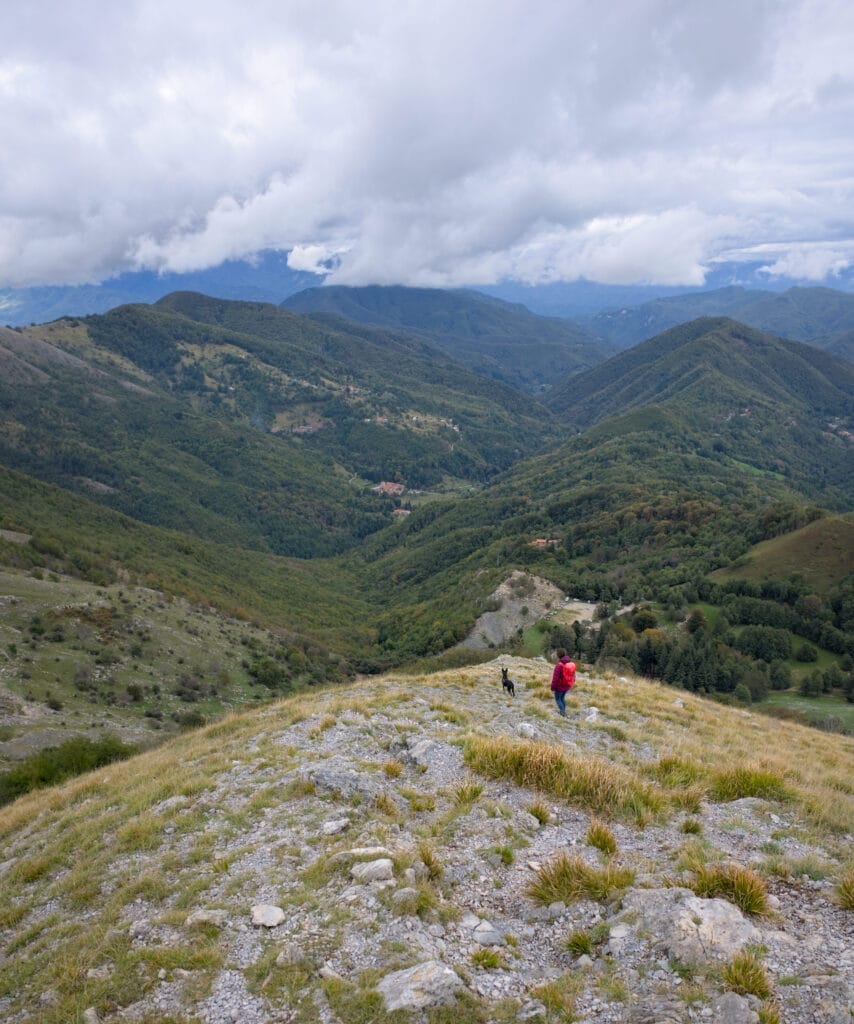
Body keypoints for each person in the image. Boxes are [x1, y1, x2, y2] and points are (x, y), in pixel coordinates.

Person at [550, 648, 576, 717]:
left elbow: (555, 678)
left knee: (558, 699)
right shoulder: (570, 663)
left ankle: (563, 713)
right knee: (562, 698)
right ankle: (563, 711)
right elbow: (573, 675)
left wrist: (552, 687)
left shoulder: (559, 666)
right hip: (567, 685)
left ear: (558, 655)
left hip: (560, 686)